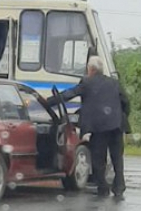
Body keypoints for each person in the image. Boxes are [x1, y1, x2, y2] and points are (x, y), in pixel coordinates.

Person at [46, 55, 130, 199]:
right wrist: (120, 117)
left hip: (99, 127)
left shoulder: (87, 82)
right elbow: (126, 102)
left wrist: (49, 102)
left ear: (90, 69)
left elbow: (68, 94)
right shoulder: (114, 83)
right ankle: (119, 188)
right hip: (116, 126)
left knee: (98, 159)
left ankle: (103, 189)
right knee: (117, 158)